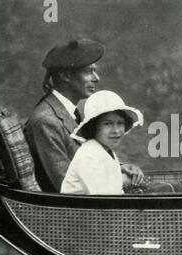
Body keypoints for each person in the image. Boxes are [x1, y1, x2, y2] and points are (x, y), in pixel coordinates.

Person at [24, 39, 144, 192]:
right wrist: (122, 180)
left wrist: (119, 168)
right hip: (75, 211)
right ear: (65, 75)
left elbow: (82, 162)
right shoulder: (46, 121)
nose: (96, 78)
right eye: (89, 72)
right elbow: (68, 186)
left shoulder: (68, 111)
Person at [61, 90, 143, 195]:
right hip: (79, 210)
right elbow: (104, 198)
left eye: (120, 123)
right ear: (94, 127)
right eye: (108, 124)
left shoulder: (104, 150)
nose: (116, 130)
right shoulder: (89, 154)